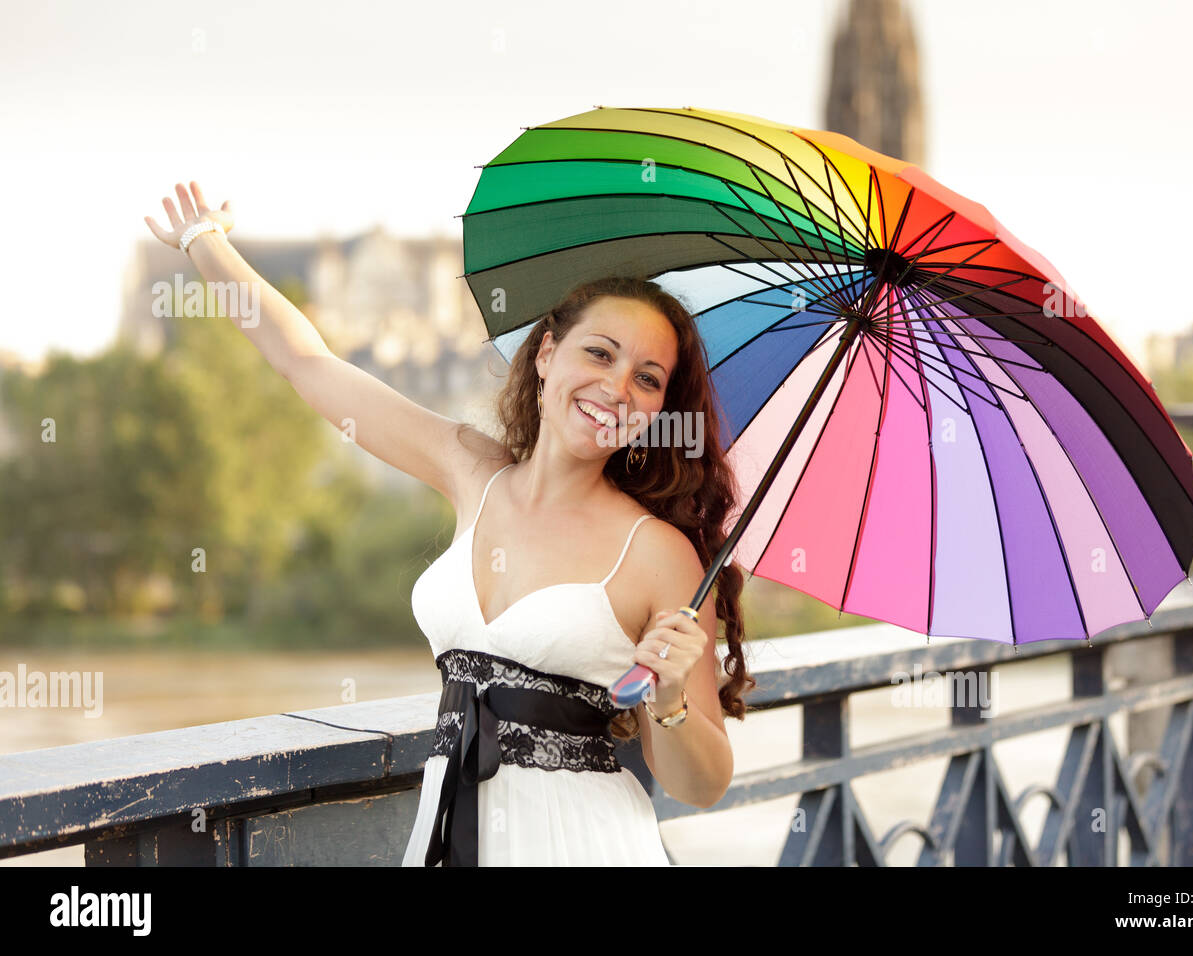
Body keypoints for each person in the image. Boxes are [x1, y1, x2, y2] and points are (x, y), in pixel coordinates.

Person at [145, 182, 756, 866]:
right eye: (600, 354)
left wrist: (669, 700)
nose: (617, 388)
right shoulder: (471, 470)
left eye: (648, 378)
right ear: (548, 354)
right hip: (447, 832)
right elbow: (308, 364)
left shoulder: (658, 555)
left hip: (584, 842)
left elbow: (702, 784)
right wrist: (207, 244)